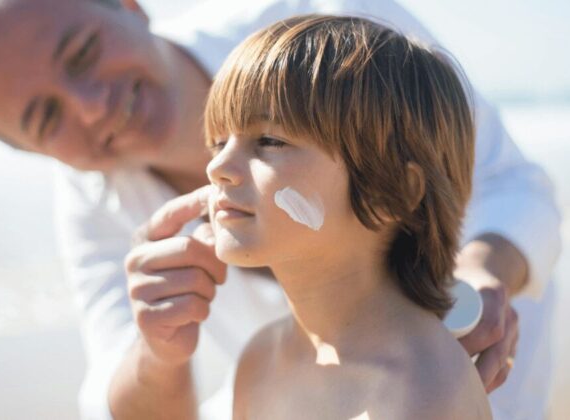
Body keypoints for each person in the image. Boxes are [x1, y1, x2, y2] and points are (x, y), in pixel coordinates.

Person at [0, 0, 561, 419]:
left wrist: (482, 278)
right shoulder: (259, 362)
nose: (91, 105)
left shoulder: (336, 39)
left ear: (127, 6)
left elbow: (512, 185)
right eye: (46, 118)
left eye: (81, 54)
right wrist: (159, 352)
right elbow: (117, 393)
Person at [204, 14, 491, 419]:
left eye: (270, 141)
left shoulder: (422, 391)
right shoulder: (260, 359)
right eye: (218, 143)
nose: (218, 167)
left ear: (391, 192)